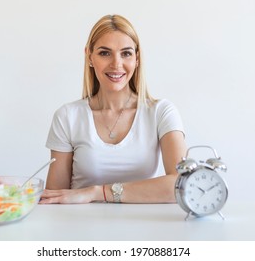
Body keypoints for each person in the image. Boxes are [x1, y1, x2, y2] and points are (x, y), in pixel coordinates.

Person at [39, 14, 186, 204]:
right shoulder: (68, 116)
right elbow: (55, 198)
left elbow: (182, 185)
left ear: (137, 58)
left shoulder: (162, 112)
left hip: (144, 230)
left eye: (126, 53)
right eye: (104, 53)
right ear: (89, 56)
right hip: (79, 229)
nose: (116, 64)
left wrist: (97, 193)